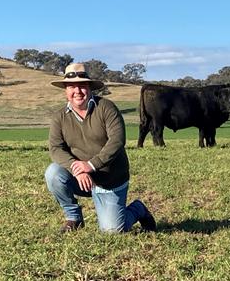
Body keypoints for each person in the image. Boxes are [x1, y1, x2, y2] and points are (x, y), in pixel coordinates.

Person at [45, 63, 157, 233]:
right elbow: (55, 148)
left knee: (112, 231)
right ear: (66, 90)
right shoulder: (59, 116)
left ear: (89, 88)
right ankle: (74, 218)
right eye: (72, 86)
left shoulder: (106, 108)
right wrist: (78, 169)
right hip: (81, 178)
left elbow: (117, 141)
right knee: (53, 173)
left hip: (110, 179)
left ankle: (138, 209)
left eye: (82, 86)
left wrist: (90, 165)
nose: (77, 91)